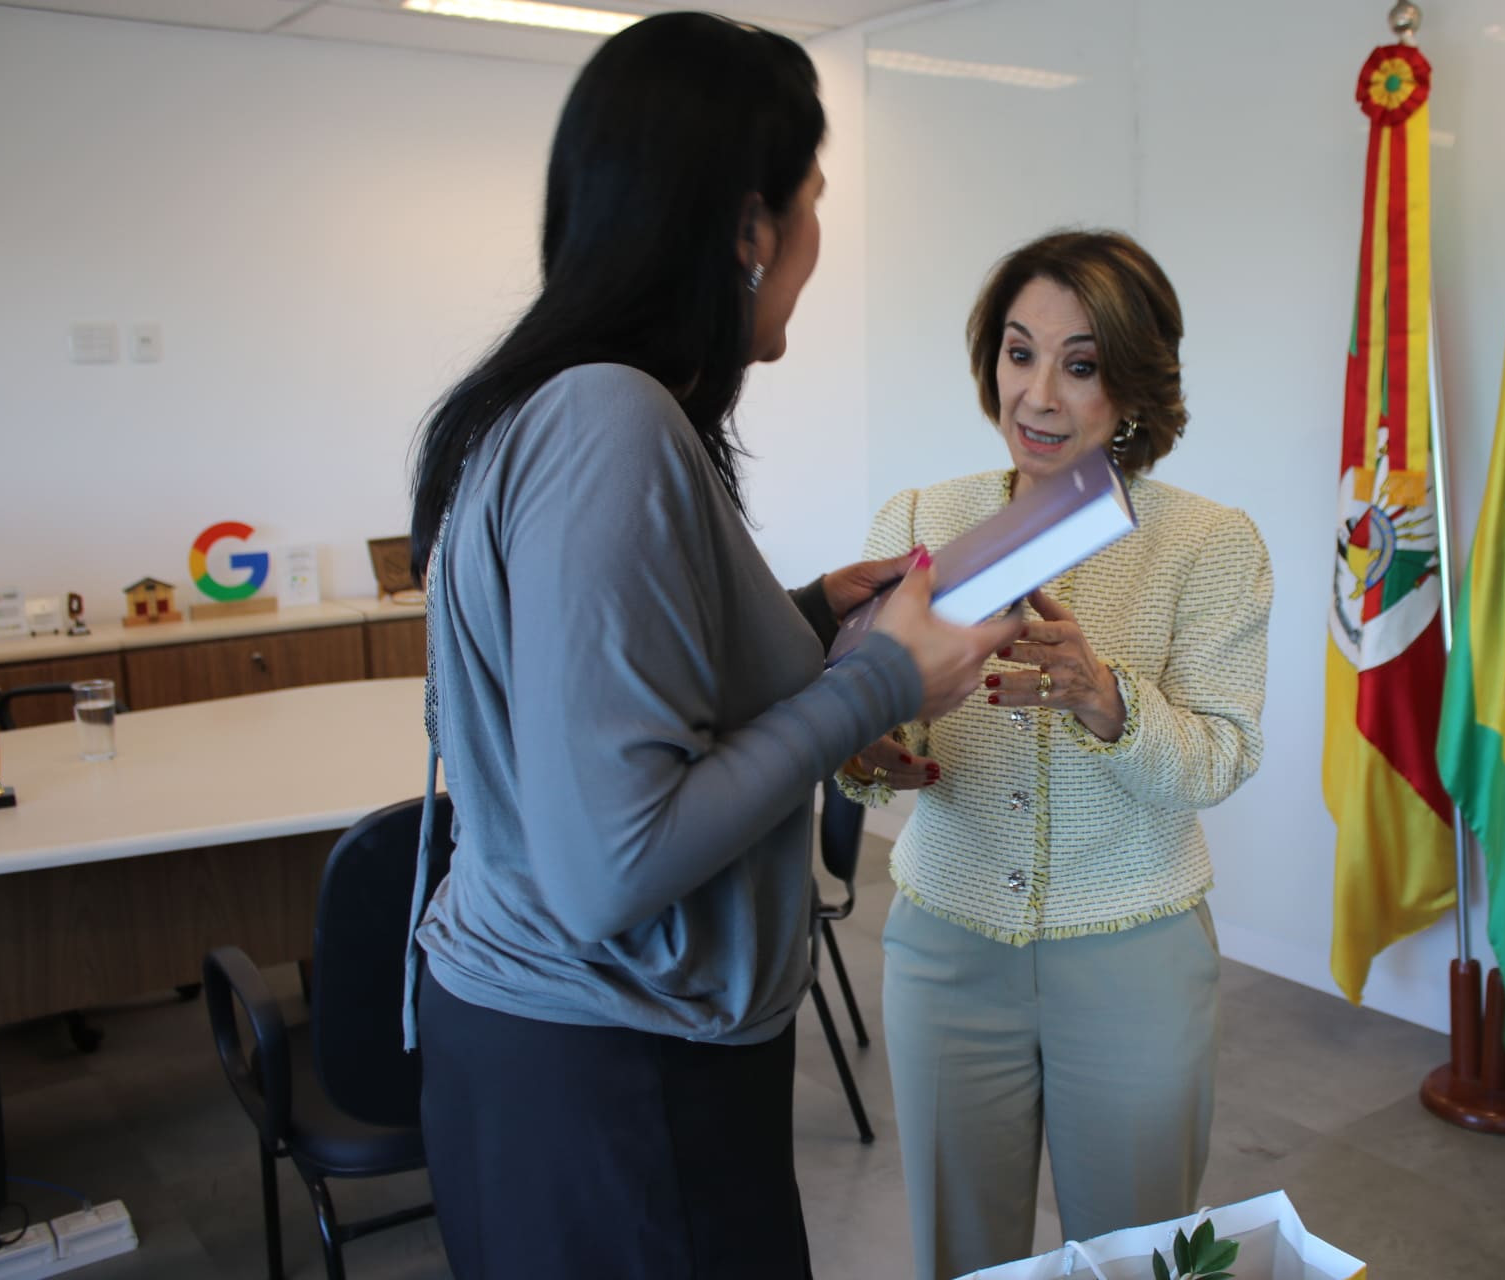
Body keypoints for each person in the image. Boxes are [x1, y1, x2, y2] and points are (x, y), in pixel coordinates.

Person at [401, 14, 1021, 1279]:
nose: (816, 237)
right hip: (614, 1075)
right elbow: (614, 863)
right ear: (750, 229)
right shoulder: (610, 421)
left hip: (568, 1054)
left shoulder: (556, 403)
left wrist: (805, 614)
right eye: (813, 202)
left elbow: (605, 679)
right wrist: (882, 678)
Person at [839, 230, 1274, 1280]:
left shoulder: (1209, 542)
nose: (1037, 395)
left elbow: (1223, 754)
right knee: (961, 1256)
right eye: (1019, 352)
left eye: (1080, 364)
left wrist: (1106, 698)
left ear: (1133, 385)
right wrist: (868, 750)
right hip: (945, 951)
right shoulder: (921, 519)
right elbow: (877, 728)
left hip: (1134, 955)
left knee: (1136, 1257)